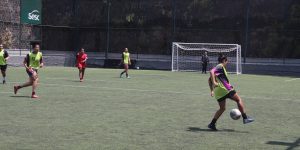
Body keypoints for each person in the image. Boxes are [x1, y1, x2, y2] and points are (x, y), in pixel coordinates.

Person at [208, 54, 254, 131]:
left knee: (222, 108)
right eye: (227, 61)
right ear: (224, 61)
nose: (227, 62)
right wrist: (214, 82)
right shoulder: (220, 66)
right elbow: (211, 71)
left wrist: (212, 90)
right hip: (226, 89)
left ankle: (212, 124)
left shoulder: (219, 69)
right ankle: (245, 118)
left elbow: (209, 80)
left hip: (218, 92)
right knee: (238, 100)